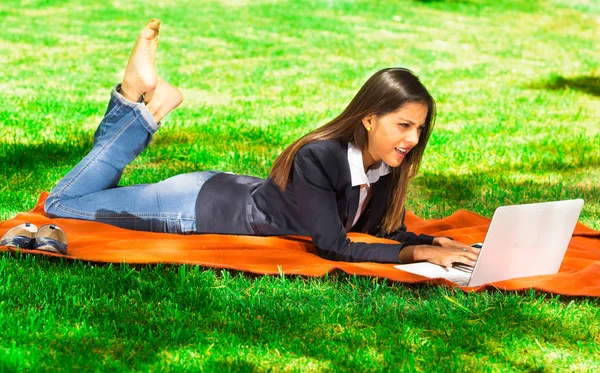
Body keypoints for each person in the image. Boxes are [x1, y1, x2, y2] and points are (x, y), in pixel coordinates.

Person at [43, 19, 480, 268]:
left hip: (219, 189)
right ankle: (140, 105)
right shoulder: (319, 157)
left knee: (88, 196)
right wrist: (414, 252)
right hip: (192, 208)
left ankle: (137, 98)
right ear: (368, 118)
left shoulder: (382, 163)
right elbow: (333, 246)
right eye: (404, 125)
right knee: (63, 204)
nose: (413, 139)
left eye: (419, 129)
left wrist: (427, 242)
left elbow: (374, 229)